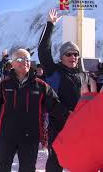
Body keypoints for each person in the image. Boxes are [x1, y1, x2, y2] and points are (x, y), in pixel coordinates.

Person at [0, 49, 68, 172]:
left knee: (27, 169)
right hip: (8, 136)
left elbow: (56, 107)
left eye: (27, 59)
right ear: (12, 64)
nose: (25, 62)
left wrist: (73, 117)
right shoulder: (4, 85)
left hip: (30, 137)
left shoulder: (41, 86)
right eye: (20, 59)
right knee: (1, 168)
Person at [38, 9, 95, 172]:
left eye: (76, 54)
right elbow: (43, 50)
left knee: (81, 161)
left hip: (81, 126)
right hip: (59, 126)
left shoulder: (84, 74)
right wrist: (50, 25)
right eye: (69, 54)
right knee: (56, 162)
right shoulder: (54, 71)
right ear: (61, 56)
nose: (73, 57)